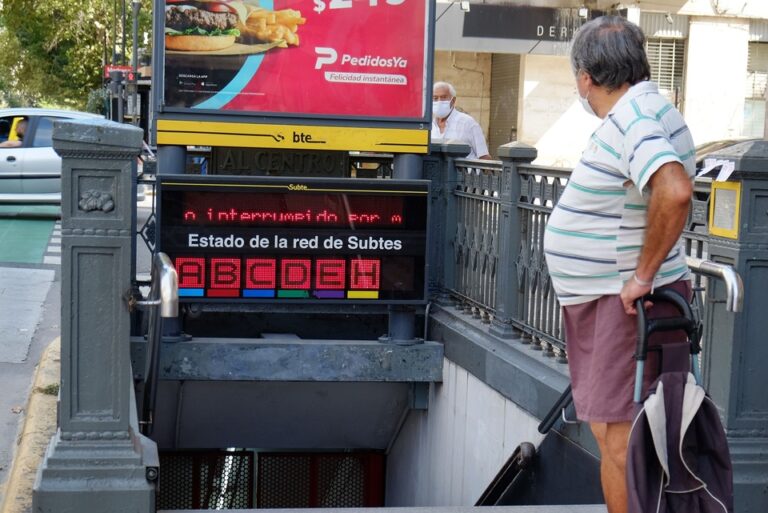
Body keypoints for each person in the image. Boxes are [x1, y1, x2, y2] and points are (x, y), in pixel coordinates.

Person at [542, 16, 695, 513]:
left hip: (621, 304)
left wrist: (642, 277)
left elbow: (674, 190)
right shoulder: (648, 108)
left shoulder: (634, 118)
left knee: (618, 440)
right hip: (612, 301)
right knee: (617, 433)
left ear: (586, 78)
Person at [431, 81, 491, 160]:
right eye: (435, 98)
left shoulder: (468, 123)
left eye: (444, 98)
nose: (439, 102)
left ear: (453, 100)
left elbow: (484, 157)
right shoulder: (429, 126)